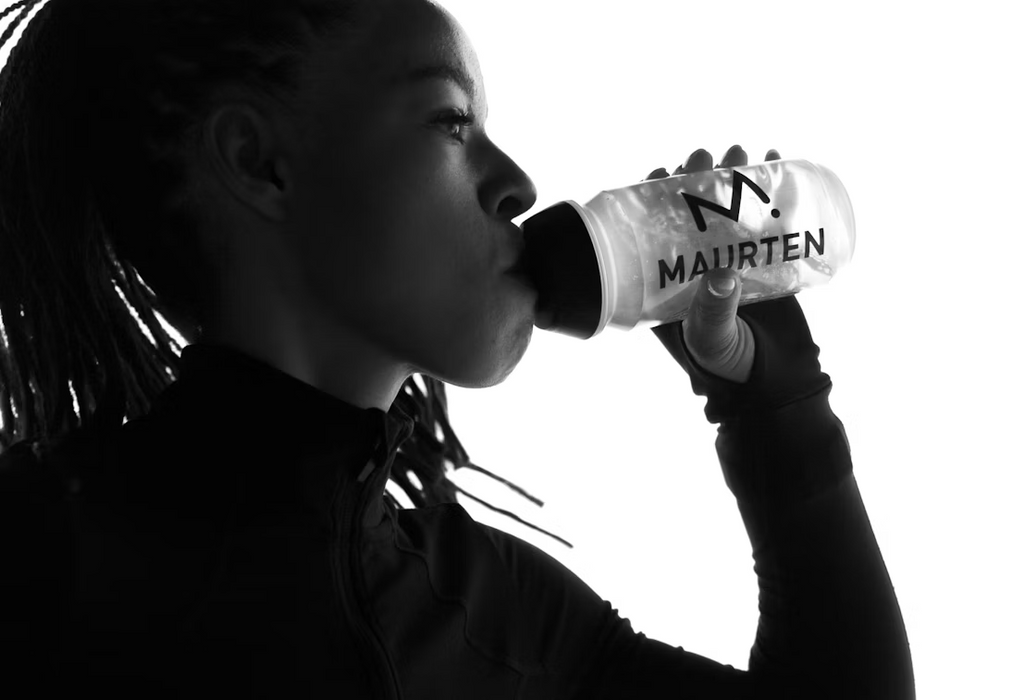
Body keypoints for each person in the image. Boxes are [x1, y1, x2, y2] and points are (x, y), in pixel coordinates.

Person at [0, 0, 915, 697]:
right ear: (257, 161)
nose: (517, 182)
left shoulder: (498, 614)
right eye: (450, 121)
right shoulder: (35, 561)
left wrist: (775, 407)